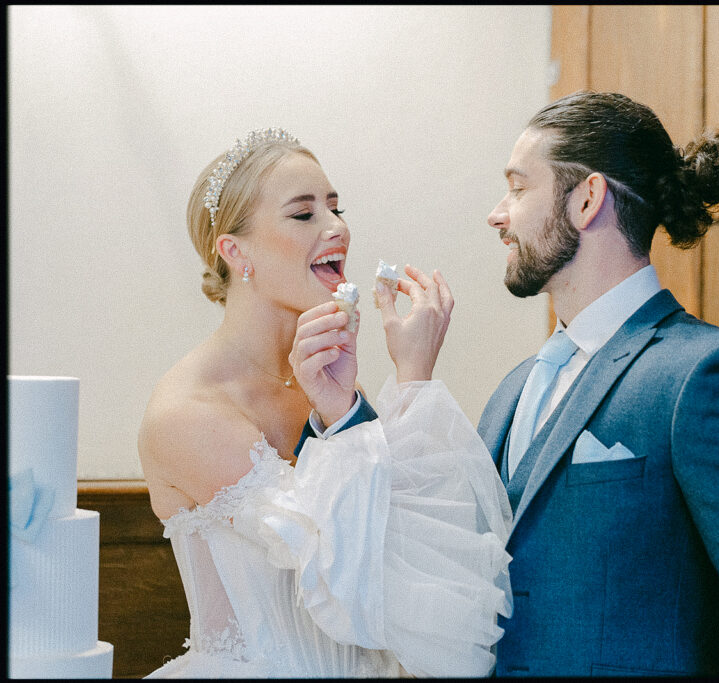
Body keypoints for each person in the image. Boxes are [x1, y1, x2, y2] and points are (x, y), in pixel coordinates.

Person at [477, 91, 719, 676]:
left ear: (587, 199)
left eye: (519, 188)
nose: (499, 214)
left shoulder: (704, 374)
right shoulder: (513, 391)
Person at [137, 128, 513, 678]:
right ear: (235, 251)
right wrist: (363, 408)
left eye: (336, 209)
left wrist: (411, 376)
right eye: (304, 214)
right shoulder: (190, 413)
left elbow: (404, 556)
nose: (338, 228)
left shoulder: (321, 383)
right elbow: (344, 582)